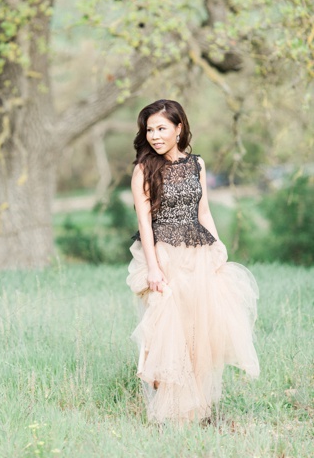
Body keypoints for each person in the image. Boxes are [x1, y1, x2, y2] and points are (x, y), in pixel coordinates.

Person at [126, 99, 259, 423]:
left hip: (198, 255)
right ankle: (171, 410)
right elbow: (145, 222)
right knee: (168, 334)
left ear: (178, 128)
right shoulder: (144, 169)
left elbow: (204, 213)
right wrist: (154, 269)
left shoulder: (196, 165)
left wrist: (218, 250)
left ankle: (198, 408)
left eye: (162, 128)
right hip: (165, 257)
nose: (155, 136)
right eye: (150, 130)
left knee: (201, 332)